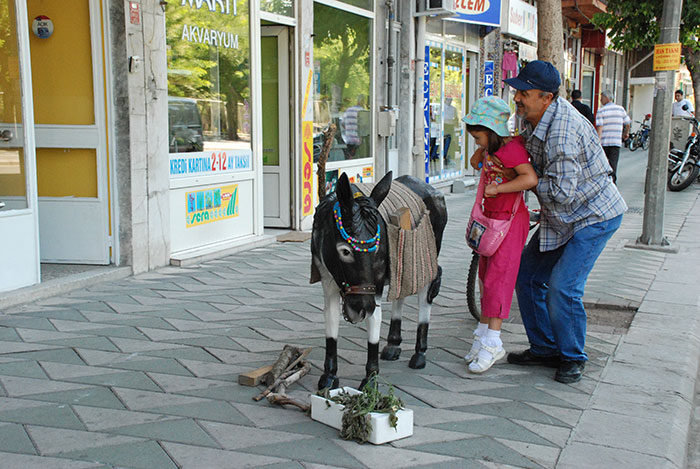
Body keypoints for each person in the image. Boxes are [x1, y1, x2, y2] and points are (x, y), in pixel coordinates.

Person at [502, 60, 627, 384]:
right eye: (517, 91)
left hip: (593, 216)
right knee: (527, 276)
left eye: (524, 93)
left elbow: (561, 192)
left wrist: (524, 180)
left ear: (546, 97)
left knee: (563, 286)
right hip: (562, 218)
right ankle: (544, 348)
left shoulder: (562, 131)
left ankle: (572, 356)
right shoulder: (534, 119)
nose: (517, 98)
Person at [462, 97, 538, 374]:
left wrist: (499, 190)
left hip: (509, 222)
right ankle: (483, 334)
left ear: (492, 130)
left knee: (499, 280)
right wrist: (480, 152)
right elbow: (475, 164)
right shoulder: (491, 149)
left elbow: (529, 179)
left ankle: (493, 341)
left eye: (479, 136)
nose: (477, 141)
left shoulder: (512, 150)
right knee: (486, 277)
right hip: (491, 221)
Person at [596, 90, 630, 184]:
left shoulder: (601, 111)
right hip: (616, 142)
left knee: (604, 164)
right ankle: (613, 183)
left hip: (604, 142)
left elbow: (600, 127)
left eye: (601, 98)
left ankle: (605, 183)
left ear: (607, 98)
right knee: (613, 164)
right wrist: (625, 134)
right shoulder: (620, 109)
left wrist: (598, 142)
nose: (600, 100)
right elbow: (627, 124)